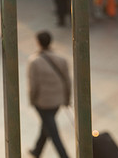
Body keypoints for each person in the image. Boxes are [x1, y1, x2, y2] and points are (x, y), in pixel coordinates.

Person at [27, 30, 71, 158]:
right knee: (47, 124)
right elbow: (67, 82)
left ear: (38, 42)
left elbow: (33, 85)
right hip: (57, 100)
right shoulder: (61, 60)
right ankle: (37, 150)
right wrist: (67, 99)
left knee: (53, 132)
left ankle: (64, 156)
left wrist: (32, 100)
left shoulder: (34, 61)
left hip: (42, 102)